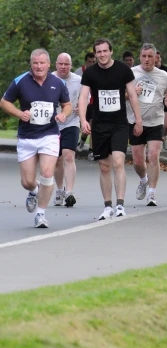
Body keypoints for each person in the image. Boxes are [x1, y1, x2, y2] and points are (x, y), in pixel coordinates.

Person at [0, 49, 72, 228]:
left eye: (42, 63)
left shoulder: (58, 83)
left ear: (49, 64)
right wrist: (19, 113)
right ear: (31, 64)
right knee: (27, 181)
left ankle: (40, 214)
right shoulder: (20, 81)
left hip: (49, 134)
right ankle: (34, 190)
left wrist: (64, 114)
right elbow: (4, 102)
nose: (39, 66)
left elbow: (68, 105)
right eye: (35, 63)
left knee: (47, 174)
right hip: (27, 136)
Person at [78, 38, 143, 220]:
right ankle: (107, 206)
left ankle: (120, 204)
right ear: (95, 54)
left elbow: (132, 96)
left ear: (111, 51)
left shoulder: (123, 70)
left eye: (105, 51)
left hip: (119, 124)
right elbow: (83, 98)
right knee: (104, 166)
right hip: (99, 125)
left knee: (118, 162)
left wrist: (138, 121)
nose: (102, 55)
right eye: (98, 52)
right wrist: (83, 120)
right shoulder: (90, 73)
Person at [127, 43, 167, 207]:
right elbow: (121, 94)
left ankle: (152, 193)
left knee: (153, 156)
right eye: (144, 56)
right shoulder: (131, 73)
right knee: (138, 162)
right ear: (139, 57)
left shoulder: (163, 76)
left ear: (155, 57)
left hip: (156, 121)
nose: (147, 59)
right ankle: (143, 180)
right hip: (135, 121)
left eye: (150, 56)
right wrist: (131, 93)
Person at [52, 53, 82, 208]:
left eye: (67, 64)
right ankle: (59, 190)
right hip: (53, 124)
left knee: (69, 156)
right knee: (57, 160)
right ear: (56, 64)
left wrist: (80, 107)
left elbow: (86, 97)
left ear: (71, 65)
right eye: (61, 64)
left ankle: (69, 192)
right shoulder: (49, 78)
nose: (63, 67)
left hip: (72, 122)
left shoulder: (78, 80)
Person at [75, 51, 96, 156]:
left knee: (92, 125)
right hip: (81, 102)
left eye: (93, 62)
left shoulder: (98, 71)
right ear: (85, 62)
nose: (91, 64)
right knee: (83, 125)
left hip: (93, 102)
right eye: (89, 62)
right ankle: (81, 142)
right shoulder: (79, 72)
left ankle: (92, 150)